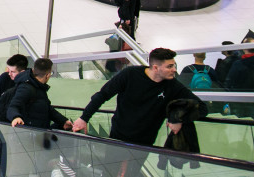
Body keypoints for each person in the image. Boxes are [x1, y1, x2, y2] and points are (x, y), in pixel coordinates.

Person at [72, 48, 207, 147]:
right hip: (118, 137)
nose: (174, 70)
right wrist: (84, 118)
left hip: (144, 143)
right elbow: (103, 95)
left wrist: (178, 118)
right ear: (155, 67)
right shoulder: (130, 75)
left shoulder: (172, 85)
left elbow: (202, 108)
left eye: (174, 66)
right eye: (170, 66)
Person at [7, 58, 71, 129]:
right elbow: (13, 106)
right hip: (29, 133)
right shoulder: (26, 88)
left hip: (39, 131)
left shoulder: (39, 87)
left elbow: (47, 109)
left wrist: (63, 121)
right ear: (48, 75)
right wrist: (16, 117)